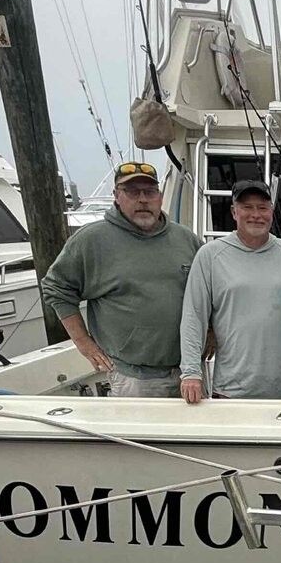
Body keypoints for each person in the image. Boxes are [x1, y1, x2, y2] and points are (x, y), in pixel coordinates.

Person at [42, 160, 201, 397]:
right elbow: (56, 289)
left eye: (149, 192)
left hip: (189, 371)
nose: (142, 199)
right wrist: (83, 343)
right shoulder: (91, 240)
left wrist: (209, 332)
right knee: (140, 436)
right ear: (116, 196)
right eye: (132, 192)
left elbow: (207, 290)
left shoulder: (186, 239)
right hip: (133, 378)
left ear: (159, 196)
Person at [180, 180, 281, 402]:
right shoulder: (209, 256)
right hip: (232, 391)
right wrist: (191, 373)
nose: (256, 214)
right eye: (247, 207)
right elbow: (193, 316)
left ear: (272, 212)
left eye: (262, 207)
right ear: (234, 212)